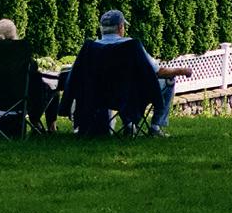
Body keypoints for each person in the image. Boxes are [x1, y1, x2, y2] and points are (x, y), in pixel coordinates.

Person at [64, 9, 187, 137]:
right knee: (168, 80)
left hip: (97, 97)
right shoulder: (131, 46)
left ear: (102, 29)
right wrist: (182, 71)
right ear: (120, 27)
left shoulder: (91, 48)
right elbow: (157, 71)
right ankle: (154, 126)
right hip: (129, 97)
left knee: (125, 88)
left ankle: (129, 125)